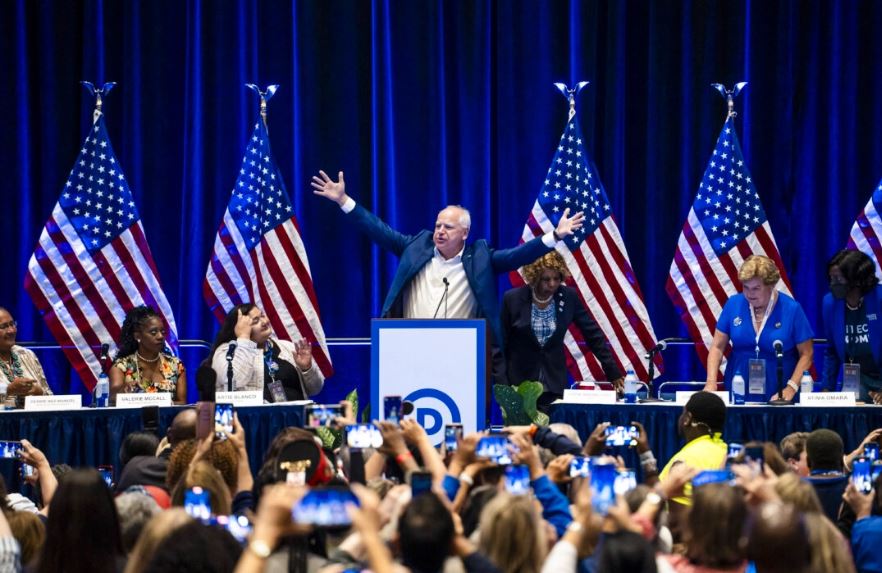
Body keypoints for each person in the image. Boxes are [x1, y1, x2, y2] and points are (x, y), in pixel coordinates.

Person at [310, 170, 585, 361]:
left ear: (464, 233)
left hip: (460, 351)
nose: (440, 231)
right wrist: (343, 200)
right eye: (438, 224)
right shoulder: (416, 246)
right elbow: (378, 230)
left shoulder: (480, 258)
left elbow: (519, 255)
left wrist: (555, 236)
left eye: (448, 227)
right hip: (409, 345)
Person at [501, 251, 623, 401]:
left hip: (554, 386)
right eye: (546, 279)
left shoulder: (568, 296)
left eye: (556, 278)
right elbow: (500, 345)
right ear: (534, 277)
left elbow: (593, 335)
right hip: (519, 388)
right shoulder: (512, 299)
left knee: (557, 425)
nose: (552, 284)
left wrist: (612, 371)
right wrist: (503, 387)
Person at [704, 255, 814, 402]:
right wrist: (711, 382)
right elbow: (717, 347)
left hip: (780, 393)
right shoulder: (733, 304)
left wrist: (791, 387)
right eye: (746, 287)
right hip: (738, 390)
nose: (749, 294)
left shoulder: (792, 309)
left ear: (771, 285)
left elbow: (807, 354)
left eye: (756, 288)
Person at [209, 304, 324, 401]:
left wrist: (307, 369)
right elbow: (233, 382)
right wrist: (244, 338)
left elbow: (316, 389)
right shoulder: (226, 351)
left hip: (295, 420)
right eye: (255, 321)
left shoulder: (287, 347)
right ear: (240, 328)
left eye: (262, 316)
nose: (264, 322)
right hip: (255, 422)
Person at [822, 249, 882, 402]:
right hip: (857, 379)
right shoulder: (830, 303)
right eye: (831, 278)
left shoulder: (879, 299)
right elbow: (832, 352)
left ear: (856, 279)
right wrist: (826, 389)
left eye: (839, 279)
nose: (833, 284)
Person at [109, 306, 187, 404]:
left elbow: (182, 402)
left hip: (168, 418)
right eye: (153, 332)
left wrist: (163, 404)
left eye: (162, 332)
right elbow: (112, 397)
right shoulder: (121, 366)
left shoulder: (176, 365)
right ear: (137, 336)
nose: (160, 336)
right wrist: (124, 390)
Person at [0, 307, 51, 398]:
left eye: (12, 324)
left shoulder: (27, 354)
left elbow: (49, 396)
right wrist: (8, 389)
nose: (11, 330)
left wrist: (39, 392)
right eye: (3, 327)